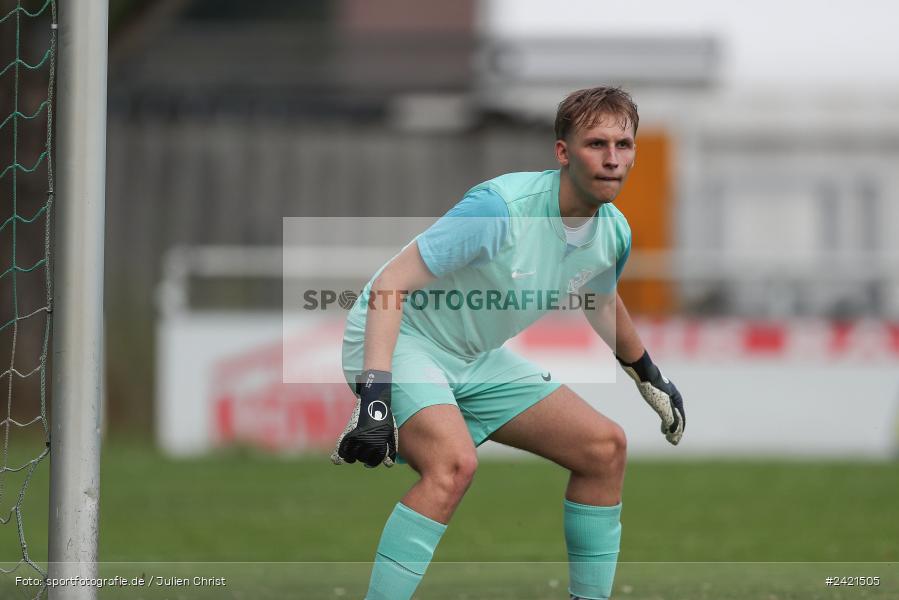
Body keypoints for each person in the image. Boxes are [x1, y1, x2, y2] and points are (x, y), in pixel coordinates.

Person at [332, 86, 685, 600]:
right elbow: (390, 285)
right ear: (563, 152)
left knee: (604, 449)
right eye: (596, 144)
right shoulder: (500, 209)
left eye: (624, 145)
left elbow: (600, 300)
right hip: (403, 339)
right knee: (453, 466)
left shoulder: (614, 233)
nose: (612, 159)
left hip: (475, 358)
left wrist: (650, 376)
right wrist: (376, 392)